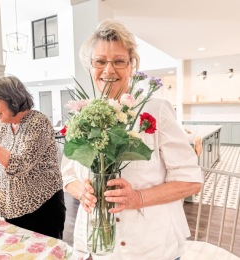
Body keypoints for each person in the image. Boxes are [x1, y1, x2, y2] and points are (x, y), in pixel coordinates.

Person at [61, 19, 203, 259]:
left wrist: (138, 198)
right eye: (100, 62)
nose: (108, 70)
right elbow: (68, 176)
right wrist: (81, 192)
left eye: (119, 61)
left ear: (131, 66)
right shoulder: (82, 115)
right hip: (96, 244)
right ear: (90, 65)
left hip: (150, 247)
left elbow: (191, 181)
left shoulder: (156, 110)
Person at [0, 76, 66, 239]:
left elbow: (18, 166)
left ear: (12, 98)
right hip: (12, 208)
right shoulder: (5, 128)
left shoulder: (38, 122)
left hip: (41, 207)